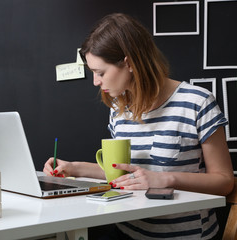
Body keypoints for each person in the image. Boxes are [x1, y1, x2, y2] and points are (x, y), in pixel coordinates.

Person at [43, 13, 234, 239]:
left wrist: (166, 178)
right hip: (128, 232)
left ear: (129, 63)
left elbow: (224, 182)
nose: (95, 82)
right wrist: (74, 168)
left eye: (100, 73)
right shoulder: (118, 108)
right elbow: (123, 172)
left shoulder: (197, 102)